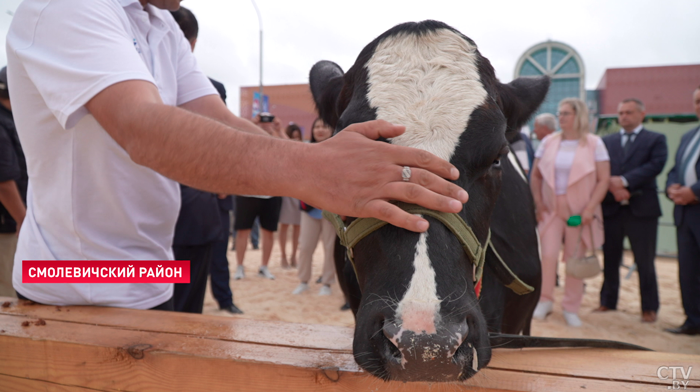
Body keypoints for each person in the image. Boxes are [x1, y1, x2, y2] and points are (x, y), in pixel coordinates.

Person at [7, 0, 467, 309]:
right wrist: (317, 167)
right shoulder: (65, 8)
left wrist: (327, 165)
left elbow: (221, 122)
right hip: (68, 281)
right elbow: (141, 130)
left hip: (146, 272)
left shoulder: (160, 23)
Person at [169, 6, 242, 314]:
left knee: (181, 305)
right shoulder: (136, 88)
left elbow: (225, 133)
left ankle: (224, 301)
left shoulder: (208, 89)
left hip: (198, 209)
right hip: (181, 212)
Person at [530, 98, 611, 327]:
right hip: (550, 208)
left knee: (575, 259)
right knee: (547, 255)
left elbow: (604, 180)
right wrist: (538, 202)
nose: (561, 117)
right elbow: (536, 176)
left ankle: (570, 307)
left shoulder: (595, 143)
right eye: (560, 112)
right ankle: (544, 301)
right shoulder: (548, 142)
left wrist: (590, 209)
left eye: (566, 113)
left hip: (580, 212)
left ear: (579, 116)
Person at [596, 99, 667, 323]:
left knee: (645, 261)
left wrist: (625, 182)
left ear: (641, 114)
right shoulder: (606, 141)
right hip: (612, 208)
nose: (624, 116)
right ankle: (607, 301)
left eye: (629, 112)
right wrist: (613, 186)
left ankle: (649, 308)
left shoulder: (655, 139)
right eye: (621, 112)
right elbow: (600, 168)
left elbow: (656, 165)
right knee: (610, 258)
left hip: (642, 209)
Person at [232, 113, 288, 281]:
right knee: (242, 231)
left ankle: (264, 267)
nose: (265, 124)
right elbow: (235, 142)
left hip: (271, 193)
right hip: (246, 192)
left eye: (268, 121)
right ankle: (240, 267)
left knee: (269, 232)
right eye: (262, 121)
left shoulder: (277, 140)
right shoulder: (248, 138)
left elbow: (292, 149)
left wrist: (279, 130)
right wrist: (250, 125)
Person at [664, 86, 700, 335]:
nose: (699, 105)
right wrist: (671, 188)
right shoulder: (689, 136)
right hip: (685, 215)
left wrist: (695, 191)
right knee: (688, 271)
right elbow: (675, 170)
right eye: (697, 101)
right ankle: (693, 321)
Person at [292, 119, 338, 296]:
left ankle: (326, 283)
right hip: (309, 208)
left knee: (329, 248)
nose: (320, 130)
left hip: (330, 210)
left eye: (324, 126)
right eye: (316, 127)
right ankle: (303, 281)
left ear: (332, 129)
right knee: (305, 247)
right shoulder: (305, 151)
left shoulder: (338, 151)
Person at [0, 66, 26, 298]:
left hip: (12, 221)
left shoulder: (11, 117)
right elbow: (3, 182)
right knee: (8, 296)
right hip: (8, 224)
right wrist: (22, 218)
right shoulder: (2, 122)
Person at [278, 123, 303, 269]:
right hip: (286, 191)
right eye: (293, 138)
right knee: (284, 226)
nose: (296, 140)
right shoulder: (284, 149)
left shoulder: (304, 150)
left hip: (299, 191)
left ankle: (294, 255)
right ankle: (283, 256)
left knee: (297, 226)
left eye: (298, 137)